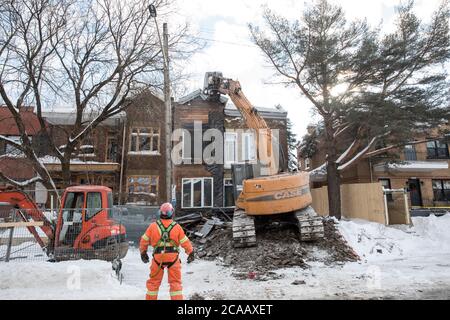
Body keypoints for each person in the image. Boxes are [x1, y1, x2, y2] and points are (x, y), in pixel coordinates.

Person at [139, 202, 194, 300]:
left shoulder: (153, 226)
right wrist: (190, 252)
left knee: (153, 283)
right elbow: (185, 241)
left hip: (158, 258)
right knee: (175, 283)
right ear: (171, 213)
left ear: (160, 213)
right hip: (173, 258)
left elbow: (144, 240)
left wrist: (143, 252)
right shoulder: (176, 227)